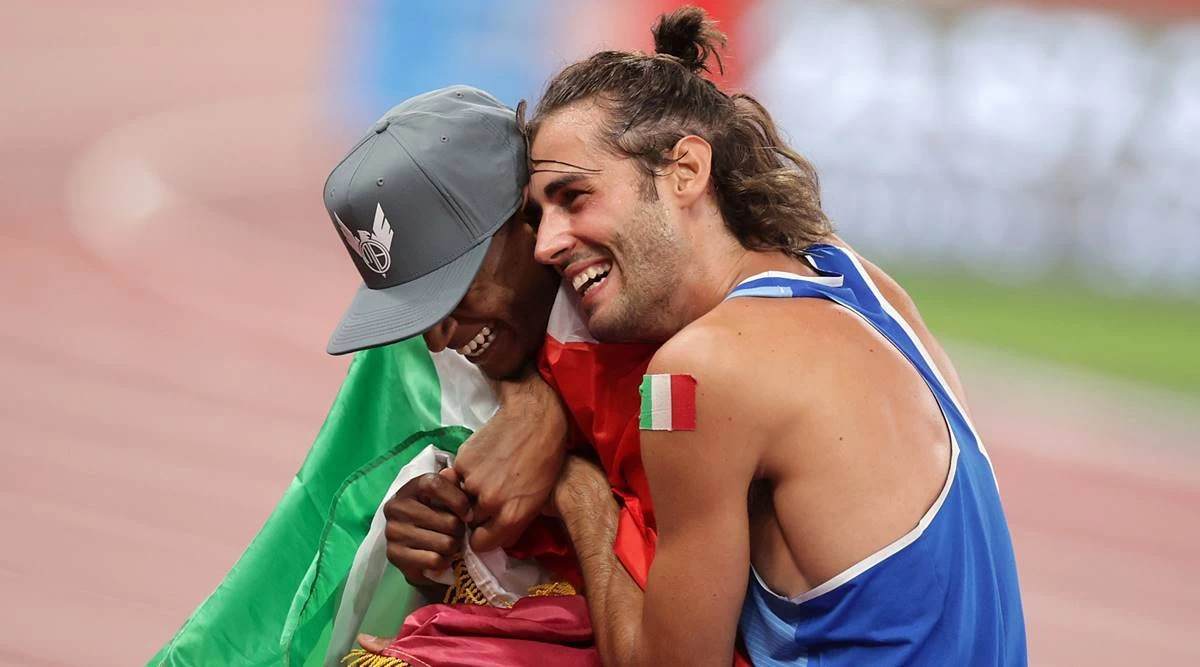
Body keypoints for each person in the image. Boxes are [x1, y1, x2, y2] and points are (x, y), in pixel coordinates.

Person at [524, 6, 1027, 667]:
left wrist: (577, 487)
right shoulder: (865, 285)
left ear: (685, 171)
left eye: (573, 197)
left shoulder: (698, 369)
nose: (545, 243)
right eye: (537, 215)